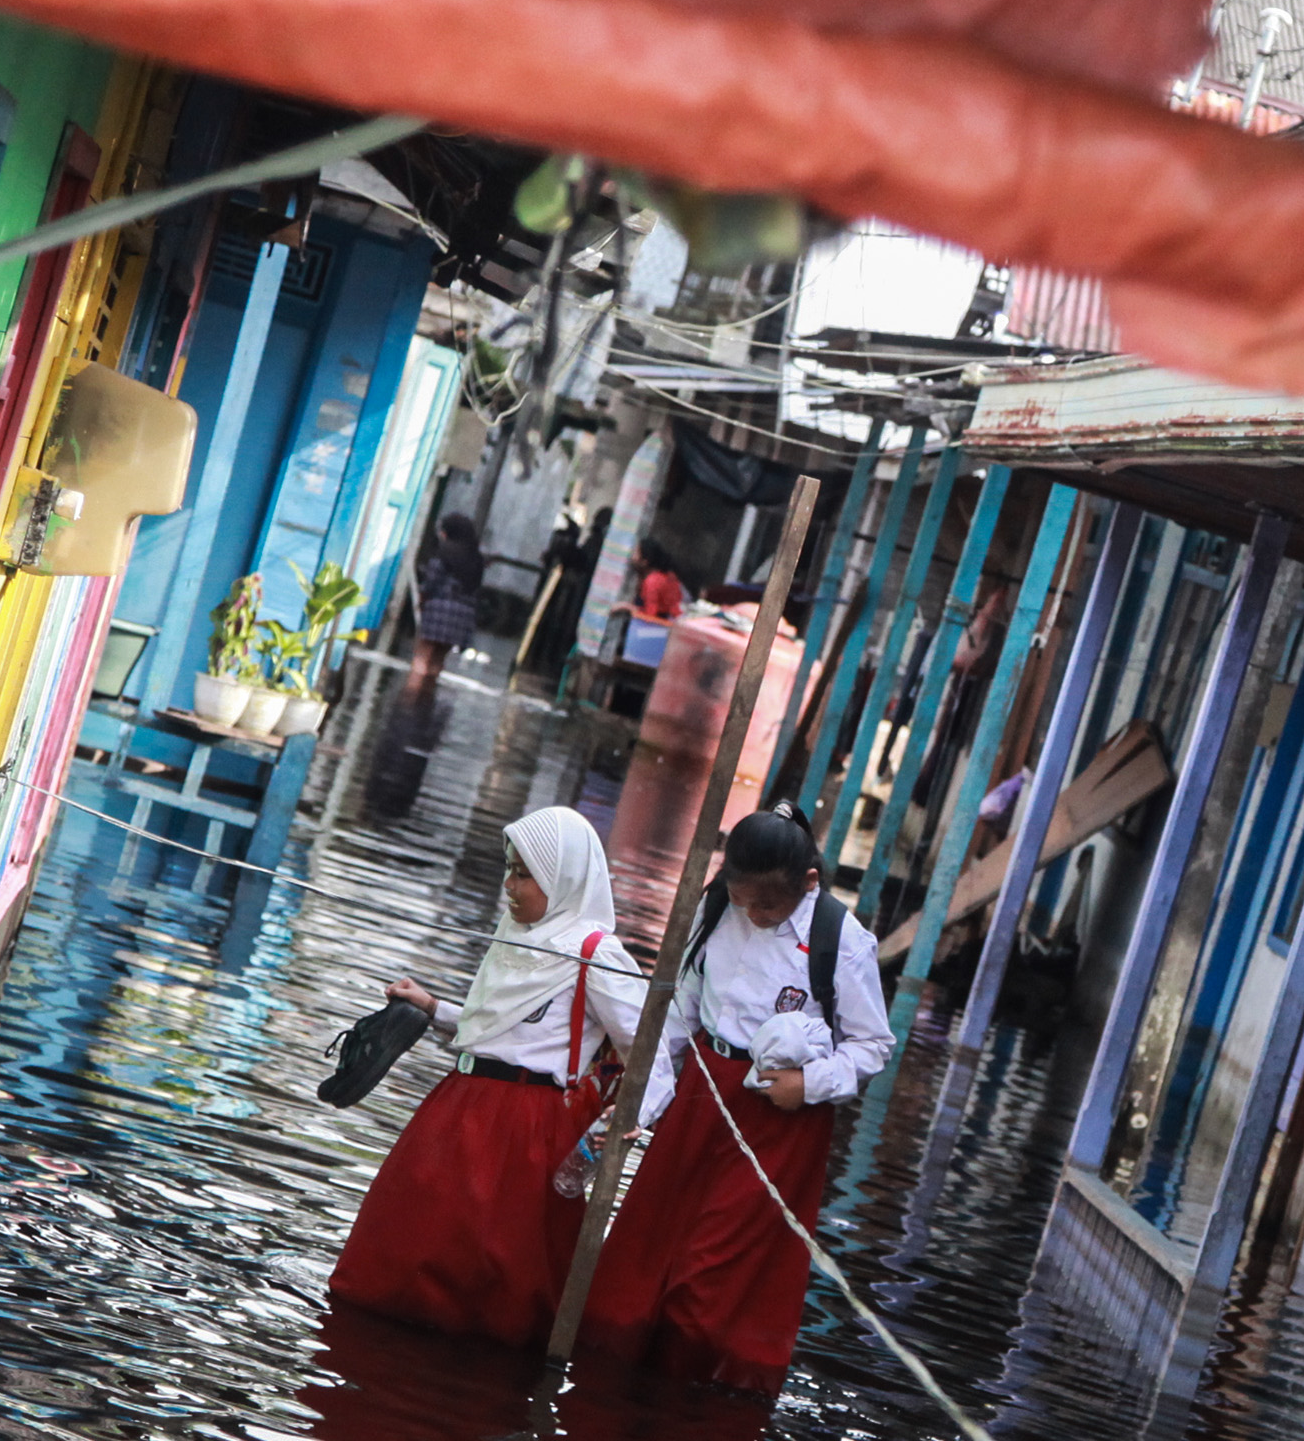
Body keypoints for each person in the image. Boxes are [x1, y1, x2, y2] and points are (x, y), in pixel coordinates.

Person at [583, 808, 893, 1388]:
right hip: (701, 1092)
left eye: (767, 908)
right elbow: (680, 1013)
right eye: (742, 899)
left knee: (713, 1270)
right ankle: (612, 1363)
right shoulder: (717, 908)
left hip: (778, 1117)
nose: (753, 915)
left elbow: (872, 1045)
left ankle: (695, 1382)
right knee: (650, 1241)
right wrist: (641, 1103)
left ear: (808, 883)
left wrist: (811, 1085)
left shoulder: (841, 941)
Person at [330, 807, 647, 1345]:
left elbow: (649, 1048)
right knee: (406, 1243)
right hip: (461, 1103)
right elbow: (494, 1026)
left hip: (529, 1122)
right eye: (510, 869)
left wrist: (630, 1116)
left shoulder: (597, 953)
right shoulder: (515, 936)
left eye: (524, 874)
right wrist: (434, 1007)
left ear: (561, 879)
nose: (510, 885)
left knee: (496, 1272)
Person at [406, 510, 485, 696]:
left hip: (439, 608)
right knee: (438, 659)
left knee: (422, 655)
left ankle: (410, 697)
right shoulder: (477, 558)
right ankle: (427, 696)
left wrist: (421, 601)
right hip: (463, 614)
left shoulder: (443, 552)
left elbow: (431, 582)